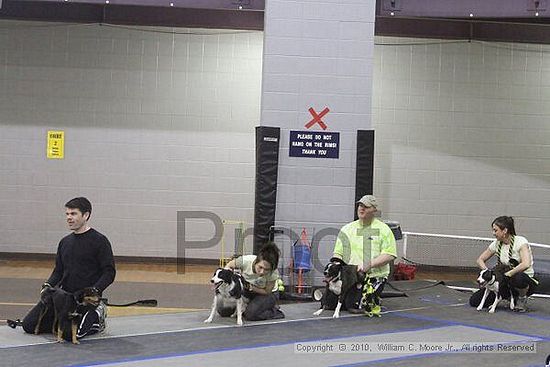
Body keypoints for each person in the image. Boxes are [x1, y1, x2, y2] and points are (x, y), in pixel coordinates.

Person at [22, 197, 116, 339]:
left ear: (86, 215)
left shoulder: (100, 241)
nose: (69, 218)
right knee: (28, 325)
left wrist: (95, 290)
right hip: (64, 298)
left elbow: (109, 272)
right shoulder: (64, 242)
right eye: (67, 214)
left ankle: (97, 315)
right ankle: (63, 320)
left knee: (69, 335)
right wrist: (48, 285)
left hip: (85, 300)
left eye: (73, 214)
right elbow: (58, 271)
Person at [332, 194, 397, 316]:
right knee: (330, 303)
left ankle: (371, 297)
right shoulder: (347, 229)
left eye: (366, 207)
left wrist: (369, 264)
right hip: (350, 276)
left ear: (374, 210)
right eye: (360, 205)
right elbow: (338, 254)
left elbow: (390, 254)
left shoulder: (383, 230)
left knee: (353, 306)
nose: (361, 208)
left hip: (373, 276)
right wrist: (335, 271)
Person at [471, 216, 538, 313]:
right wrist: (487, 273)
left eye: (495, 230)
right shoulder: (496, 244)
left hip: (523, 280)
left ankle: (522, 298)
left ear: (505, 231)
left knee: (518, 278)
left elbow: (526, 264)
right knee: (474, 301)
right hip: (504, 281)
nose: (493, 233)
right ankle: (507, 296)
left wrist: (509, 274)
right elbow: (480, 260)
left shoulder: (521, 242)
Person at [225, 242, 284, 321]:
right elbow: (229, 266)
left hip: (267, 294)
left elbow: (267, 291)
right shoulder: (245, 261)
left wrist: (251, 287)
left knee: (250, 315)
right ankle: (251, 305)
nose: (262, 272)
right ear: (256, 261)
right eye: (260, 267)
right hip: (247, 290)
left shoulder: (273, 273)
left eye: (267, 270)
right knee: (224, 311)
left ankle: (274, 311)